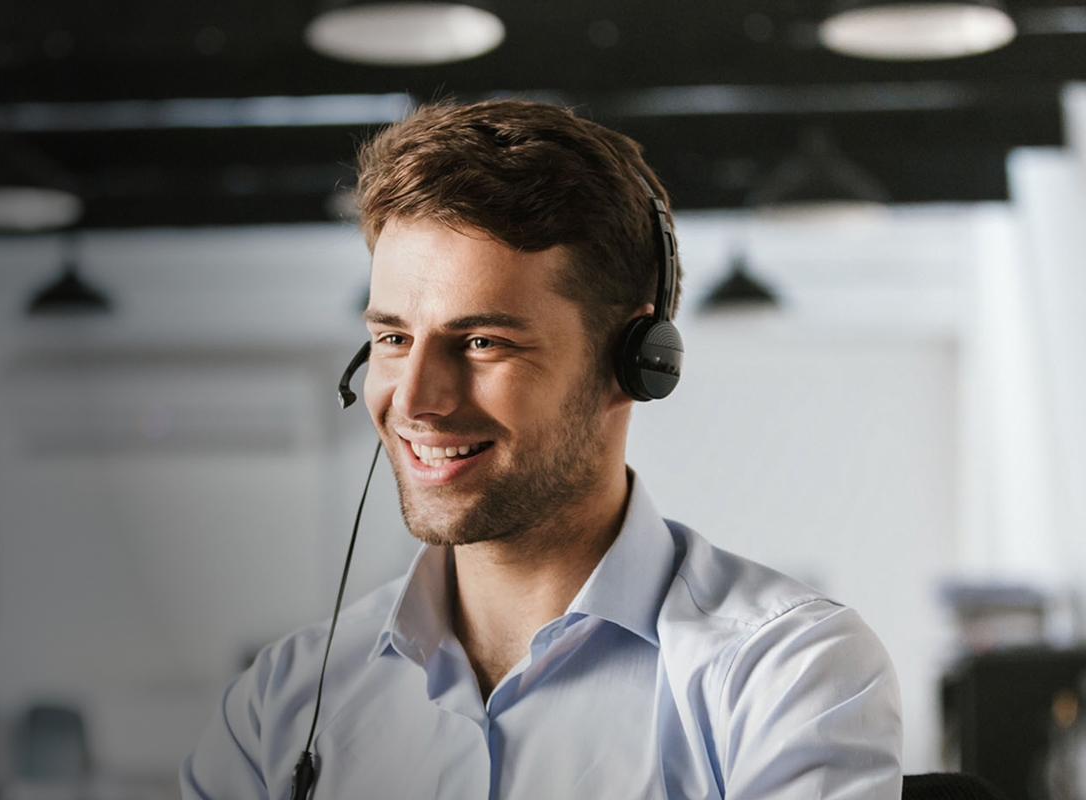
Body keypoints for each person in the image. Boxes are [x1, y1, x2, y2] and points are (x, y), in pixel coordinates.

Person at [181, 99, 902, 799]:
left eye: (483, 342)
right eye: (394, 338)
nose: (413, 399)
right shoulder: (281, 704)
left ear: (636, 363)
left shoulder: (783, 673)